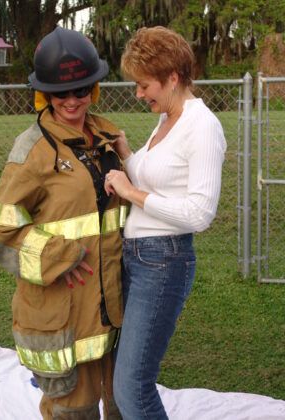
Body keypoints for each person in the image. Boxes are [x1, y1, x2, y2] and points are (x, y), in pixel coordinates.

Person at [0, 26, 126, 419]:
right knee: (73, 411)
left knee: (125, 405)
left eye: (81, 90)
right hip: (65, 314)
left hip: (113, 305)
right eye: (60, 92)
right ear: (44, 95)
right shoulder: (31, 151)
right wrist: (59, 256)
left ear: (94, 89)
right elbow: (4, 231)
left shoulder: (108, 137)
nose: (72, 100)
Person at [104, 26, 227, 419]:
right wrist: (126, 151)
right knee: (121, 375)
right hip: (136, 257)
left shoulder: (202, 126)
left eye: (144, 85)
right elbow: (158, 178)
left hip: (163, 262)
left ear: (172, 77)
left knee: (132, 387)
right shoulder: (167, 119)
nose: (139, 94)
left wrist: (130, 192)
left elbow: (199, 213)